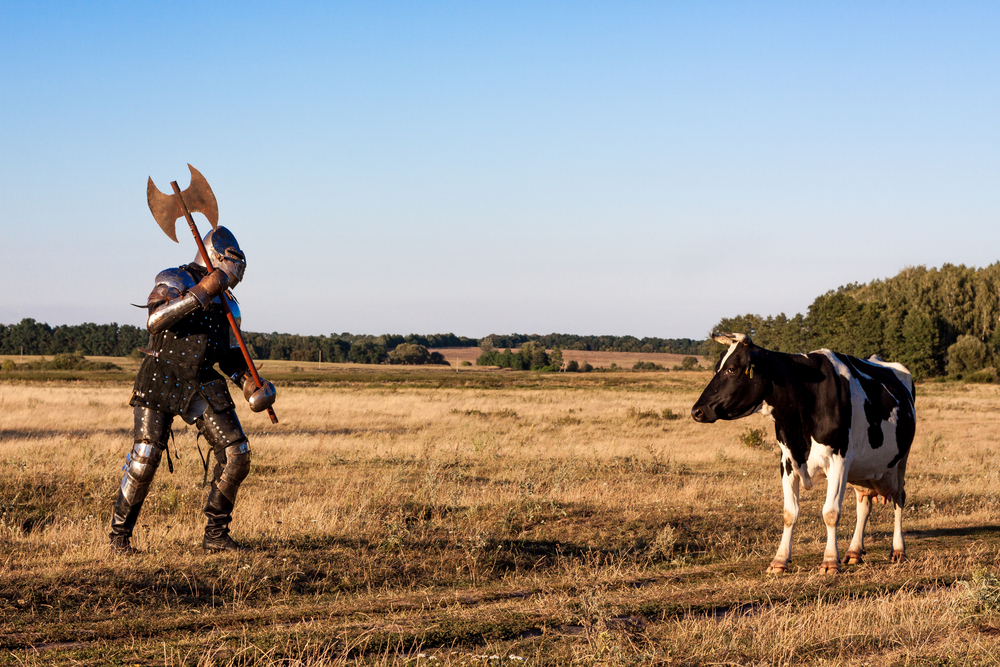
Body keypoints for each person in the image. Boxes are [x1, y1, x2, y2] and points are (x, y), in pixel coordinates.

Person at [109, 226, 276, 554]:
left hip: (201, 379)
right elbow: (155, 320)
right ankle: (119, 538)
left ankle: (216, 534)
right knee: (145, 457)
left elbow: (229, 356)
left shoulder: (230, 303)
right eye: (231, 260)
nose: (237, 267)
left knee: (236, 455)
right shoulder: (176, 277)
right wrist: (203, 290)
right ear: (216, 256)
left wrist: (249, 383)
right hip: (163, 372)